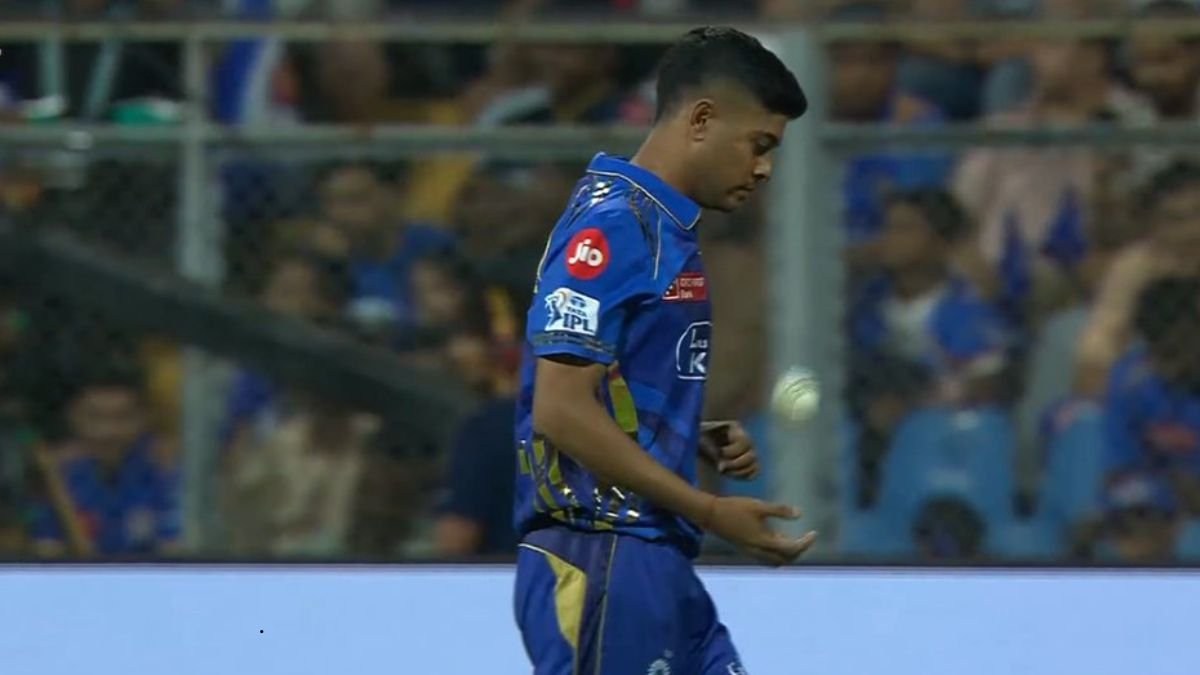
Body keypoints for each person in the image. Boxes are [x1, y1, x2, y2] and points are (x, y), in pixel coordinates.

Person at [512, 27, 812, 675]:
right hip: (604, 555)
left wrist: (679, 434)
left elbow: (597, 390)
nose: (764, 168)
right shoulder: (615, 227)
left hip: (653, 560)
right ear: (701, 119)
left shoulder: (657, 227)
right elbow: (559, 409)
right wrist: (711, 509)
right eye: (759, 144)